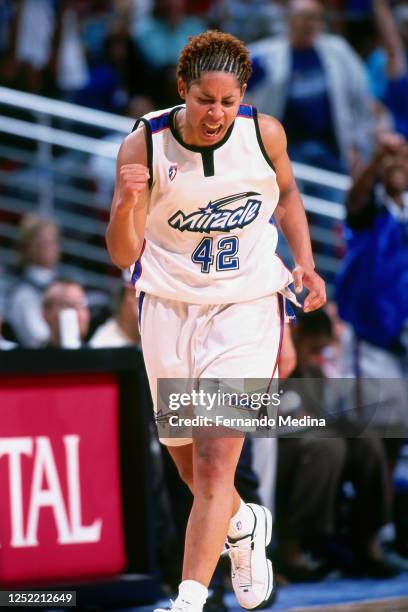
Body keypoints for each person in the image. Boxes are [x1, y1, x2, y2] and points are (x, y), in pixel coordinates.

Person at [106, 30, 325, 612]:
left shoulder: (264, 132)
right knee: (188, 466)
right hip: (168, 309)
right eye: (206, 100)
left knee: (212, 467)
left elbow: (287, 197)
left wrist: (304, 263)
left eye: (228, 102)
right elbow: (123, 255)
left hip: (246, 307)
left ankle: (190, 599)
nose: (217, 113)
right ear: (183, 89)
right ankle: (245, 526)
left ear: (243, 96)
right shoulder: (144, 144)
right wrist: (129, 205)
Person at [246, 0, 374, 177]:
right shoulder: (267, 54)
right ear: (288, 19)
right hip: (287, 155)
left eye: (316, 18)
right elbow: (236, 87)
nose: (311, 23)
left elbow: (362, 99)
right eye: (305, 17)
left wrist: (358, 144)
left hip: (332, 151)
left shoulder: (338, 50)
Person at [5, 215, 60, 347]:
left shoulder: (60, 283)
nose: (50, 248)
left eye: (52, 241)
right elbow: (38, 340)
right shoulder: (23, 293)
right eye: (43, 243)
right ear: (27, 248)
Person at [42, 279, 90, 348]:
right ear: (46, 314)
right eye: (68, 305)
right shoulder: (34, 357)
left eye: (82, 304)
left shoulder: (100, 356)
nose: (78, 313)